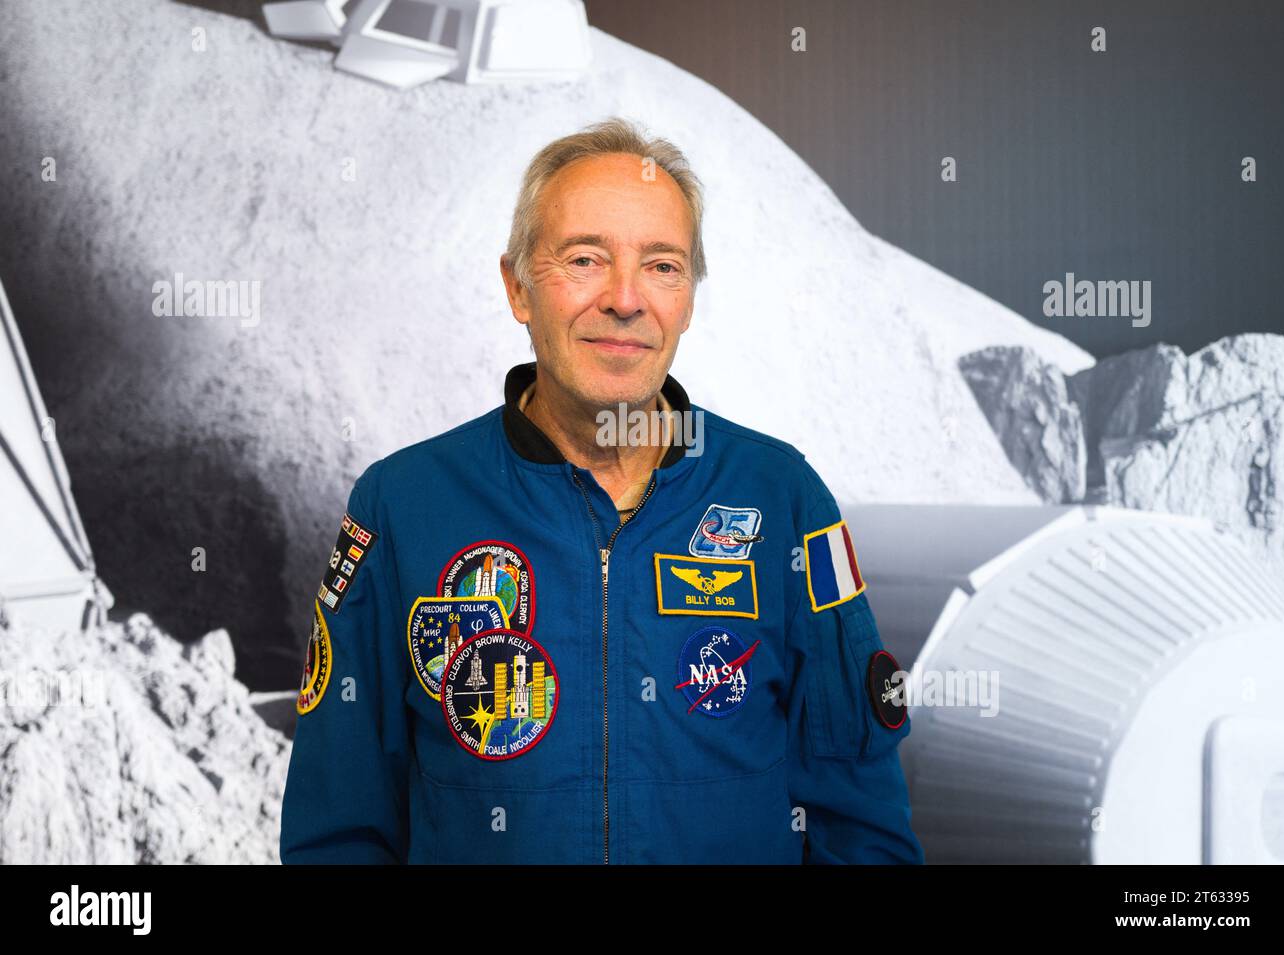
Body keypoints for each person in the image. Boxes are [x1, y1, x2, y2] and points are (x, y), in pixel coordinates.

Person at [280, 116, 924, 864]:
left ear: (688, 298)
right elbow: (339, 831)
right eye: (585, 259)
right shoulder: (402, 506)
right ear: (519, 288)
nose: (625, 299)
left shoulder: (783, 500)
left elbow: (863, 824)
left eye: (662, 266)